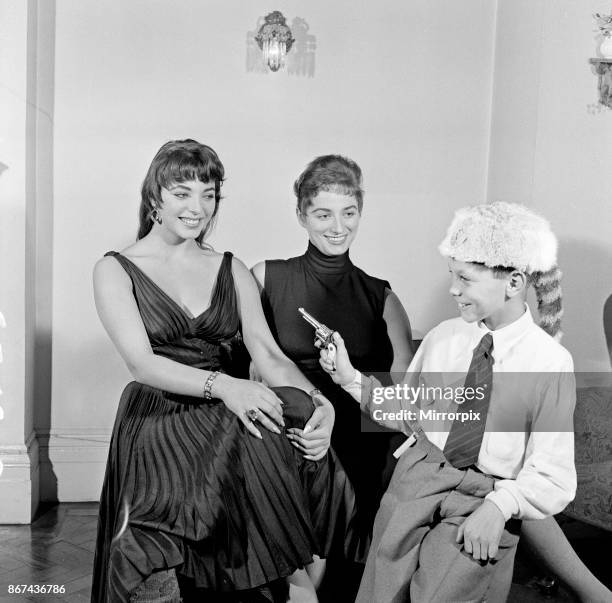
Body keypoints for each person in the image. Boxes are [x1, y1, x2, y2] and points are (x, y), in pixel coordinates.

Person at [90, 140, 357, 603]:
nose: (197, 208)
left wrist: (321, 405)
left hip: (233, 408)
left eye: (208, 194)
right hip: (160, 412)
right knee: (240, 450)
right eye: (182, 193)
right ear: (155, 196)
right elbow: (142, 363)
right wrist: (224, 386)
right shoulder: (115, 269)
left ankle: (294, 585)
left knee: (303, 437)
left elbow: (269, 355)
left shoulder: (229, 269)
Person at [320, 202, 579, 602]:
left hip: (485, 493)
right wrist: (350, 378)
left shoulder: (549, 363)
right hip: (419, 475)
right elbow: (409, 412)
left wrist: (499, 508)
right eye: (451, 275)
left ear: (513, 283)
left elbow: (553, 474)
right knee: (379, 590)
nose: (453, 289)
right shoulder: (446, 337)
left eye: (466, 279)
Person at [251, 155, 413, 600]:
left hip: (360, 441)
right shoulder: (268, 277)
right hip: (288, 435)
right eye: (323, 213)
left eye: (349, 213)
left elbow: (402, 396)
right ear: (301, 215)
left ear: (361, 212)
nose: (337, 226)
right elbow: (248, 368)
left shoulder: (382, 296)